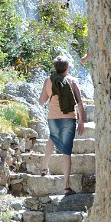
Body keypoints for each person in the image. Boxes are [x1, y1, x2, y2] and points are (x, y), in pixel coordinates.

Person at [38, 55, 86, 195]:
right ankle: (66, 186)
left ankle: (44, 167)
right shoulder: (72, 81)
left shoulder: (49, 80)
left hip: (53, 117)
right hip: (69, 118)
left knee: (53, 137)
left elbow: (41, 101)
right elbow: (80, 103)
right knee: (66, 151)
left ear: (55, 67)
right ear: (67, 67)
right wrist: (81, 121)